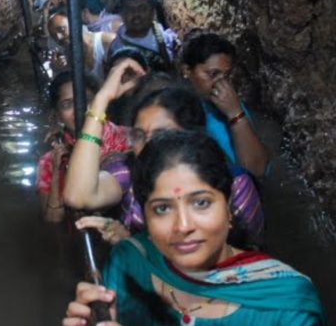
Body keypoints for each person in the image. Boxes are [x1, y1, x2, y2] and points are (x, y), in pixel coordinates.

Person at [63, 131, 326, 325]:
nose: (183, 226)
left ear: (229, 207)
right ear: (144, 215)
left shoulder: (286, 305)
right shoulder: (130, 263)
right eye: (163, 208)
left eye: (201, 203)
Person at [63, 61, 264, 248]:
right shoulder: (129, 169)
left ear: (190, 136)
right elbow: (78, 196)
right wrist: (101, 100)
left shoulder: (234, 185)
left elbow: (245, 265)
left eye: (162, 134)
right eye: (140, 135)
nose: (149, 144)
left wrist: (137, 250)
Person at [36, 71, 130, 223]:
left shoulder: (126, 139)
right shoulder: (49, 161)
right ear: (57, 114)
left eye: (86, 101)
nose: (79, 111)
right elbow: (53, 220)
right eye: (67, 105)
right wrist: (56, 173)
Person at [180, 31, 269, 177]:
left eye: (226, 76)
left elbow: (256, 171)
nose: (221, 83)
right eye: (212, 74)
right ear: (186, 71)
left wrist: (235, 114)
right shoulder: (176, 112)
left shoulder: (231, 105)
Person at [109, 0, 177, 72]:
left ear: (152, 11)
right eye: (130, 9)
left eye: (142, 8)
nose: (136, 14)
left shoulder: (167, 38)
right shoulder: (117, 49)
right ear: (122, 14)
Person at [47, 9, 116, 81]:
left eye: (62, 29)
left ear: (75, 22)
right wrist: (61, 69)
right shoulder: (71, 58)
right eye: (54, 36)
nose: (59, 37)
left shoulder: (107, 42)